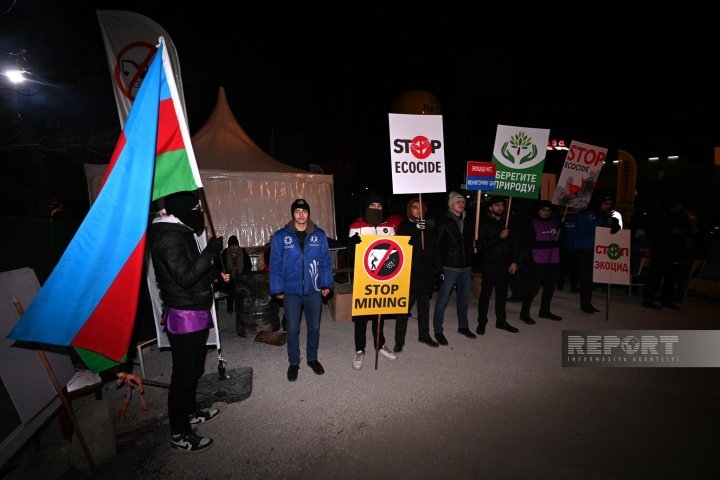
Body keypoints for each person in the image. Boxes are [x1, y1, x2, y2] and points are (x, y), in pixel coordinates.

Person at [149, 191, 229, 453]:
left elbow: (193, 268)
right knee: (183, 374)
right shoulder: (167, 237)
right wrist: (209, 252)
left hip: (194, 309)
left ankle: (190, 413)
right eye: (195, 206)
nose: (199, 211)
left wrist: (214, 274)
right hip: (184, 316)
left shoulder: (180, 231)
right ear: (182, 209)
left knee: (194, 369)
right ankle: (179, 433)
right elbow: (184, 277)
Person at [269, 199, 334, 382]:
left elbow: (325, 262)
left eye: (304, 211)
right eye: (297, 211)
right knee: (292, 328)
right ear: (292, 214)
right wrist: (277, 289)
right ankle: (294, 362)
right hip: (291, 291)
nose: (301, 214)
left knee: (314, 326)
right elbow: (275, 264)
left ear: (308, 213)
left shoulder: (319, 235)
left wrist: (327, 284)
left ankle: (312, 358)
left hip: (314, 289)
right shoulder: (281, 236)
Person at [347, 193, 403, 369]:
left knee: (379, 315)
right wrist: (352, 245)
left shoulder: (389, 227)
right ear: (366, 207)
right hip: (363, 278)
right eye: (373, 206)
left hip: (382, 278)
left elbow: (396, 251)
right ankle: (360, 350)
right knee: (361, 317)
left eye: (379, 206)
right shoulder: (357, 226)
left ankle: (380, 346)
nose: (376, 209)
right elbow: (350, 255)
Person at [394, 197, 440, 352]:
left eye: (421, 207)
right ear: (410, 210)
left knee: (424, 308)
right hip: (409, 275)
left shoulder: (430, 227)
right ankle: (399, 340)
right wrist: (416, 230)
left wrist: (438, 269)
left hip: (426, 274)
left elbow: (434, 250)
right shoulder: (405, 226)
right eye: (415, 207)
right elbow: (402, 245)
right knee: (403, 309)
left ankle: (424, 335)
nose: (418, 210)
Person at [433, 191, 477, 345]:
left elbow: (471, 243)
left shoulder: (469, 222)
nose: (462, 204)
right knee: (442, 301)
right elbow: (436, 246)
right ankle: (438, 330)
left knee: (464, 300)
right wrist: (439, 269)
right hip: (450, 267)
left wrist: (476, 247)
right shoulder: (444, 222)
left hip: (466, 267)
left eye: (463, 202)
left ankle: (463, 326)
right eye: (458, 202)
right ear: (451, 204)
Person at [476, 195, 521, 334]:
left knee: (502, 295)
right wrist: (499, 237)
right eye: (497, 205)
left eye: (502, 205)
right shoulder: (483, 223)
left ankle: (501, 321)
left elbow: (514, 244)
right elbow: (481, 246)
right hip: (489, 264)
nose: (500, 208)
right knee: (486, 295)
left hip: (505, 265)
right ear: (490, 207)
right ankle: (482, 322)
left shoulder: (507, 222)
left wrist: (514, 261)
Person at [570, 195, 619, 314]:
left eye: (609, 204)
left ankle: (588, 302)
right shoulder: (585, 214)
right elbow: (584, 231)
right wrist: (602, 227)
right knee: (586, 278)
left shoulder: (607, 217)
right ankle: (585, 304)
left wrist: (615, 227)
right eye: (605, 203)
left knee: (592, 279)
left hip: (600, 251)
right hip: (586, 249)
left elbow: (609, 234)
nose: (608, 206)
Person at [519, 200, 563, 324]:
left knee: (550, 287)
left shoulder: (554, 224)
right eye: (543, 210)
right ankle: (524, 313)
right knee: (533, 288)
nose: (546, 212)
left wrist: (562, 233)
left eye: (548, 210)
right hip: (537, 260)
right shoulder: (531, 223)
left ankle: (545, 311)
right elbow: (530, 243)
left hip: (553, 259)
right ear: (538, 211)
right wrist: (550, 244)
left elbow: (559, 241)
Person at [220, 235, 252, 313]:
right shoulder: (224, 254)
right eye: (232, 246)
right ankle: (230, 309)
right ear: (229, 246)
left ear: (238, 245)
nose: (234, 247)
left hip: (241, 277)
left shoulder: (243, 253)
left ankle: (243, 308)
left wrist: (244, 275)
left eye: (235, 245)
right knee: (229, 288)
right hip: (228, 278)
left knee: (243, 290)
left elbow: (249, 266)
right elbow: (220, 266)